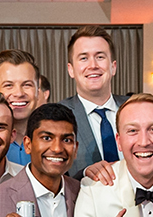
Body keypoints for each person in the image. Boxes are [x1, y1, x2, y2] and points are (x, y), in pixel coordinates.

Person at [60, 25, 128, 179]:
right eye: (84, 58)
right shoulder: (58, 115)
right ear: (71, 70)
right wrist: (84, 173)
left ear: (113, 67)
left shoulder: (135, 108)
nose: (93, 65)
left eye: (100, 57)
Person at [0, 50, 40, 167]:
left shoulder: (52, 140)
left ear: (38, 91)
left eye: (27, 84)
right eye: (9, 85)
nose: (19, 93)